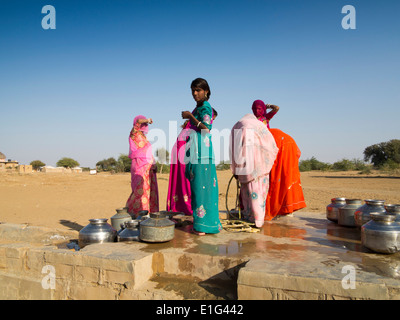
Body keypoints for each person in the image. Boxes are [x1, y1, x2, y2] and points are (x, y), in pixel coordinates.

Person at [252, 99, 306, 220]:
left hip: (269, 145)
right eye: (255, 109)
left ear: (263, 109)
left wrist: (268, 106)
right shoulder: (252, 121)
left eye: (260, 109)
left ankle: (277, 207)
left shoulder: (266, 118)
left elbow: (276, 108)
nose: (257, 111)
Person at [182, 78, 222, 235]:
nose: (194, 93)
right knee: (199, 187)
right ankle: (204, 224)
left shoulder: (206, 107)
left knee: (201, 188)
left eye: (198, 90)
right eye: (193, 90)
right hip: (197, 151)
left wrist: (190, 117)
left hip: (202, 153)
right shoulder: (198, 107)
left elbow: (207, 128)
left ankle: (204, 226)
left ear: (206, 91)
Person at [167, 107, 218, 215]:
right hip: (183, 151)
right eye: (212, 118)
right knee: (188, 178)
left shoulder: (192, 123)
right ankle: (188, 207)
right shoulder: (196, 124)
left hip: (181, 150)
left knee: (184, 179)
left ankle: (181, 206)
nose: (211, 122)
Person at [230, 113, 278, 227]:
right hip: (261, 165)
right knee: (258, 193)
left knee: (249, 191)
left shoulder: (240, 126)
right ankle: (257, 220)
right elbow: (271, 146)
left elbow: (235, 148)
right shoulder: (260, 127)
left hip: (247, 165)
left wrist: (236, 169)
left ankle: (252, 218)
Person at [125, 115, 159, 217]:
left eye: (146, 124)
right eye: (144, 123)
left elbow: (148, 151)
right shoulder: (134, 133)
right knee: (140, 191)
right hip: (139, 166)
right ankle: (136, 213)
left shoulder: (144, 137)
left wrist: (154, 163)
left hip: (149, 167)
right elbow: (139, 121)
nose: (145, 124)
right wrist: (148, 120)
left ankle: (149, 214)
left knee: (150, 192)